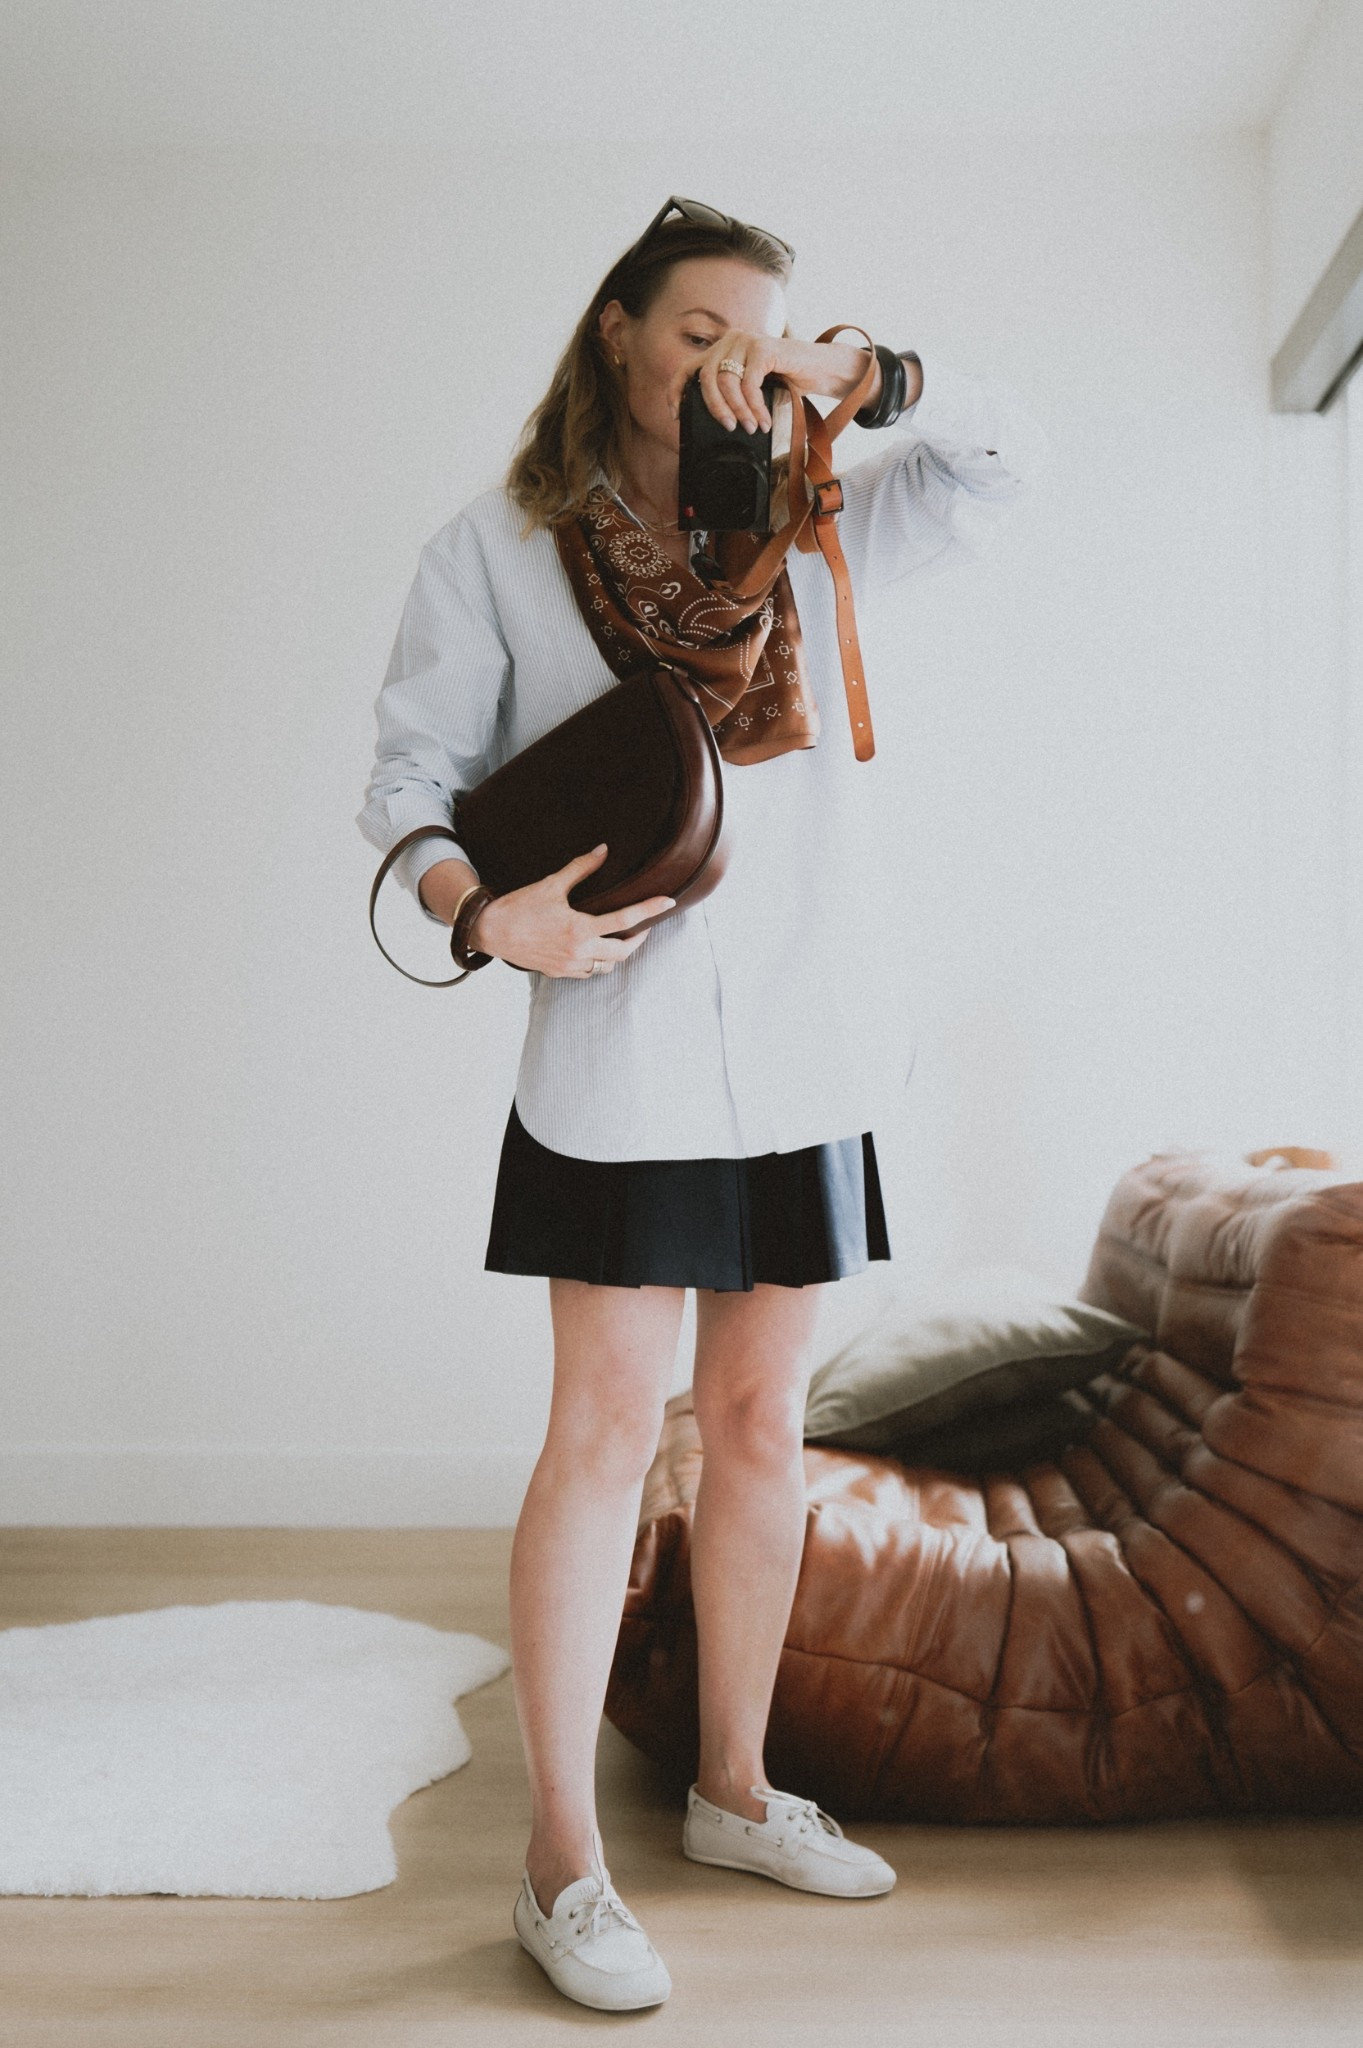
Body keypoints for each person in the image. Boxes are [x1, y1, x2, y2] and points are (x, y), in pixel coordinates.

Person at [357, 196, 1049, 2012]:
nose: (733, 361)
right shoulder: (500, 551)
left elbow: (1011, 458)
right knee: (601, 1440)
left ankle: (737, 1789)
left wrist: (874, 375)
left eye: (765, 332)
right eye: (699, 330)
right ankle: (560, 1865)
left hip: (812, 1043)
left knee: (758, 1428)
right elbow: (408, 790)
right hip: (620, 1055)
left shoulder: (830, 528)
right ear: (614, 333)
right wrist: (482, 910)